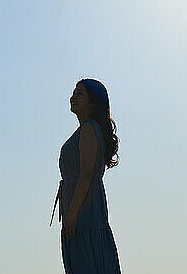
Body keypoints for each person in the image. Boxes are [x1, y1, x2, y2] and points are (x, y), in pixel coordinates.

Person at [50, 78, 122, 273]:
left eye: (80, 93)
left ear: (93, 102)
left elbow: (87, 174)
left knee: (88, 261)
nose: (73, 97)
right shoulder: (85, 129)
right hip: (80, 210)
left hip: (84, 211)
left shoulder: (89, 128)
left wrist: (72, 213)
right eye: (73, 92)